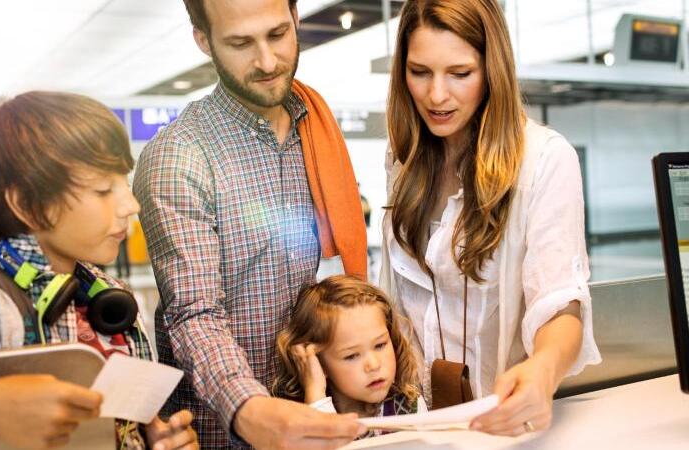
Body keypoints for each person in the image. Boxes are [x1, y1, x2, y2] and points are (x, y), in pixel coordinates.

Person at [0, 91, 198, 450]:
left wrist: (148, 439)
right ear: (27, 205)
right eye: (102, 190)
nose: (131, 205)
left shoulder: (110, 297)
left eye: (123, 185)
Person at [132, 0, 368, 447]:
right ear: (203, 40)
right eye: (240, 43)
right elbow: (194, 313)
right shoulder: (179, 156)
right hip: (222, 431)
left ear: (296, 19)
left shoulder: (315, 129)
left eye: (277, 34)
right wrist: (249, 407)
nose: (266, 61)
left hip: (317, 409)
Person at [381, 0, 601, 437]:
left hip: (504, 425)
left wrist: (542, 369)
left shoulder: (543, 159)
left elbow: (560, 302)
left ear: (491, 70)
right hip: (417, 426)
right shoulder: (401, 158)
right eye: (419, 72)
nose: (436, 95)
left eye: (460, 74)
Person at [272, 275, 420, 438]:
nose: (374, 364)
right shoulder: (295, 418)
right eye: (351, 356)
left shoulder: (409, 403)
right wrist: (316, 396)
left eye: (380, 345)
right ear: (318, 363)